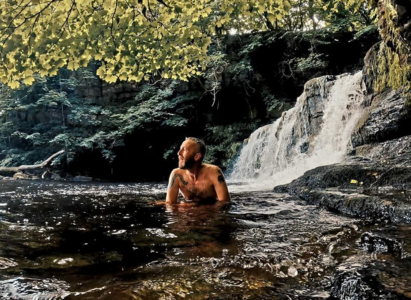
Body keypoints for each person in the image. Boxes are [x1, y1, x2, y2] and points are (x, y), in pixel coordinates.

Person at [166, 137, 231, 204]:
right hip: (188, 213)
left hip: (209, 213)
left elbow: (225, 203)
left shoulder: (214, 172)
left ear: (197, 157)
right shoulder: (176, 175)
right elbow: (170, 204)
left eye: (184, 150)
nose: (179, 153)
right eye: (180, 149)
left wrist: (190, 206)